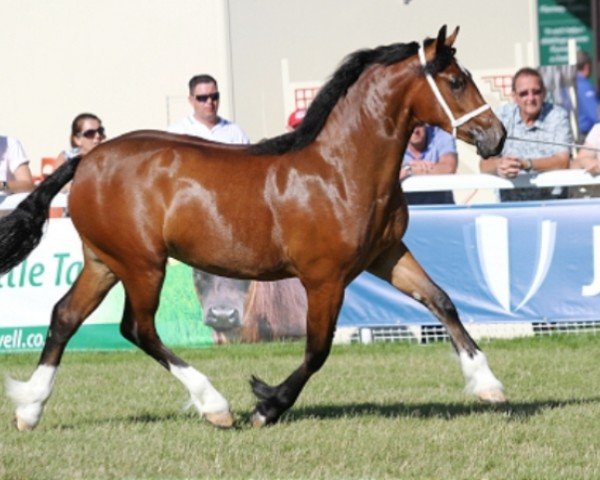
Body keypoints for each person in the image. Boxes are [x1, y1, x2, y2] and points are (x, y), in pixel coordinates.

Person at [479, 67, 572, 202]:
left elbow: (563, 162)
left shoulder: (558, 116)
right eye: (523, 93)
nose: (530, 98)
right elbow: (483, 165)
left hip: (552, 206)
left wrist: (526, 164)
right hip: (510, 207)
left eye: (536, 92)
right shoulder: (501, 117)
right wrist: (500, 164)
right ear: (514, 96)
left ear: (544, 93)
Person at [168, 74, 249, 144]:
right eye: (203, 98)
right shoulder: (177, 133)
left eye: (214, 97)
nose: (209, 101)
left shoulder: (236, 133)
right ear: (191, 100)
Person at [400, 122, 457, 204]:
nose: (415, 130)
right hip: (404, 210)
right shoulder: (390, 139)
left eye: (419, 124)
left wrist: (409, 169)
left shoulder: (442, 134)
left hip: (440, 208)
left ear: (426, 123)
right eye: (410, 124)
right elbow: (385, 175)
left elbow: (449, 168)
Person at [576, 50, 600, 139]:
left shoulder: (570, 84)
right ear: (587, 67)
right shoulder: (584, 86)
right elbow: (597, 116)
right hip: (585, 136)